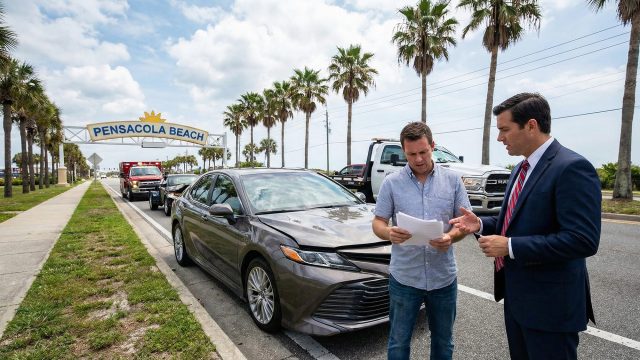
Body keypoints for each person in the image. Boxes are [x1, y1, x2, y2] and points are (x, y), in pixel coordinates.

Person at [450, 93, 601, 360]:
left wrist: (510, 246)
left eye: (505, 130)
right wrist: (481, 224)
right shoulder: (520, 168)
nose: (500, 138)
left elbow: (582, 239)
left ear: (531, 125)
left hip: (552, 308)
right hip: (518, 302)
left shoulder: (572, 167)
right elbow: (513, 222)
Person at [372, 121, 471, 360]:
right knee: (398, 342)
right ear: (404, 151)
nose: (418, 159)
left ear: (433, 146)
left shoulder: (452, 181)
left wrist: (450, 236)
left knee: (443, 342)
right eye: (411, 154)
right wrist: (389, 233)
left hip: (443, 277)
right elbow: (378, 222)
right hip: (405, 277)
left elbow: (465, 223)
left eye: (423, 152)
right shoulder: (392, 183)